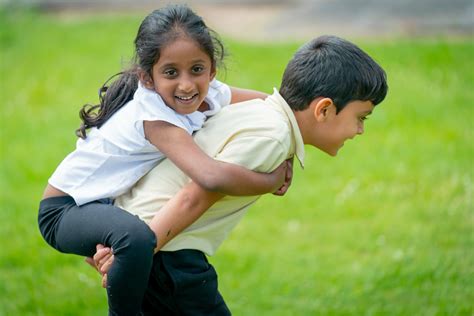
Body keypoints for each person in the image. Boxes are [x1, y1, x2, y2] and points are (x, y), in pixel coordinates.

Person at [91, 34, 388, 315]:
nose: (360, 130)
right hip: (166, 252)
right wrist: (134, 256)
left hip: (154, 241)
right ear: (323, 109)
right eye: (360, 118)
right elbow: (192, 198)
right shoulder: (272, 138)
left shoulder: (262, 114)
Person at [37, 5, 289, 316]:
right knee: (137, 238)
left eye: (197, 69)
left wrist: (287, 139)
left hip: (109, 208)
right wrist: (270, 180)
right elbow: (209, 176)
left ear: (212, 69)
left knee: (134, 244)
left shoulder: (211, 93)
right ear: (148, 79)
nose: (186, 84)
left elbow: (267, 103)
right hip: (66, 209)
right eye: (171, 73)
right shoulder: (155, 117)